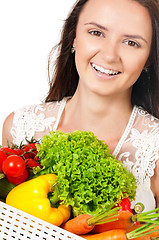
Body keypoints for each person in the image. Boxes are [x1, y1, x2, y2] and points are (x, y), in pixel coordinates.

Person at [2, 0, 159, 212]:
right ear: (74, 37)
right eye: (96, 33)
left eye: (131, 43)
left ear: (148, 58)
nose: (110, 55)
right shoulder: (19, 127)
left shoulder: (154, 151)